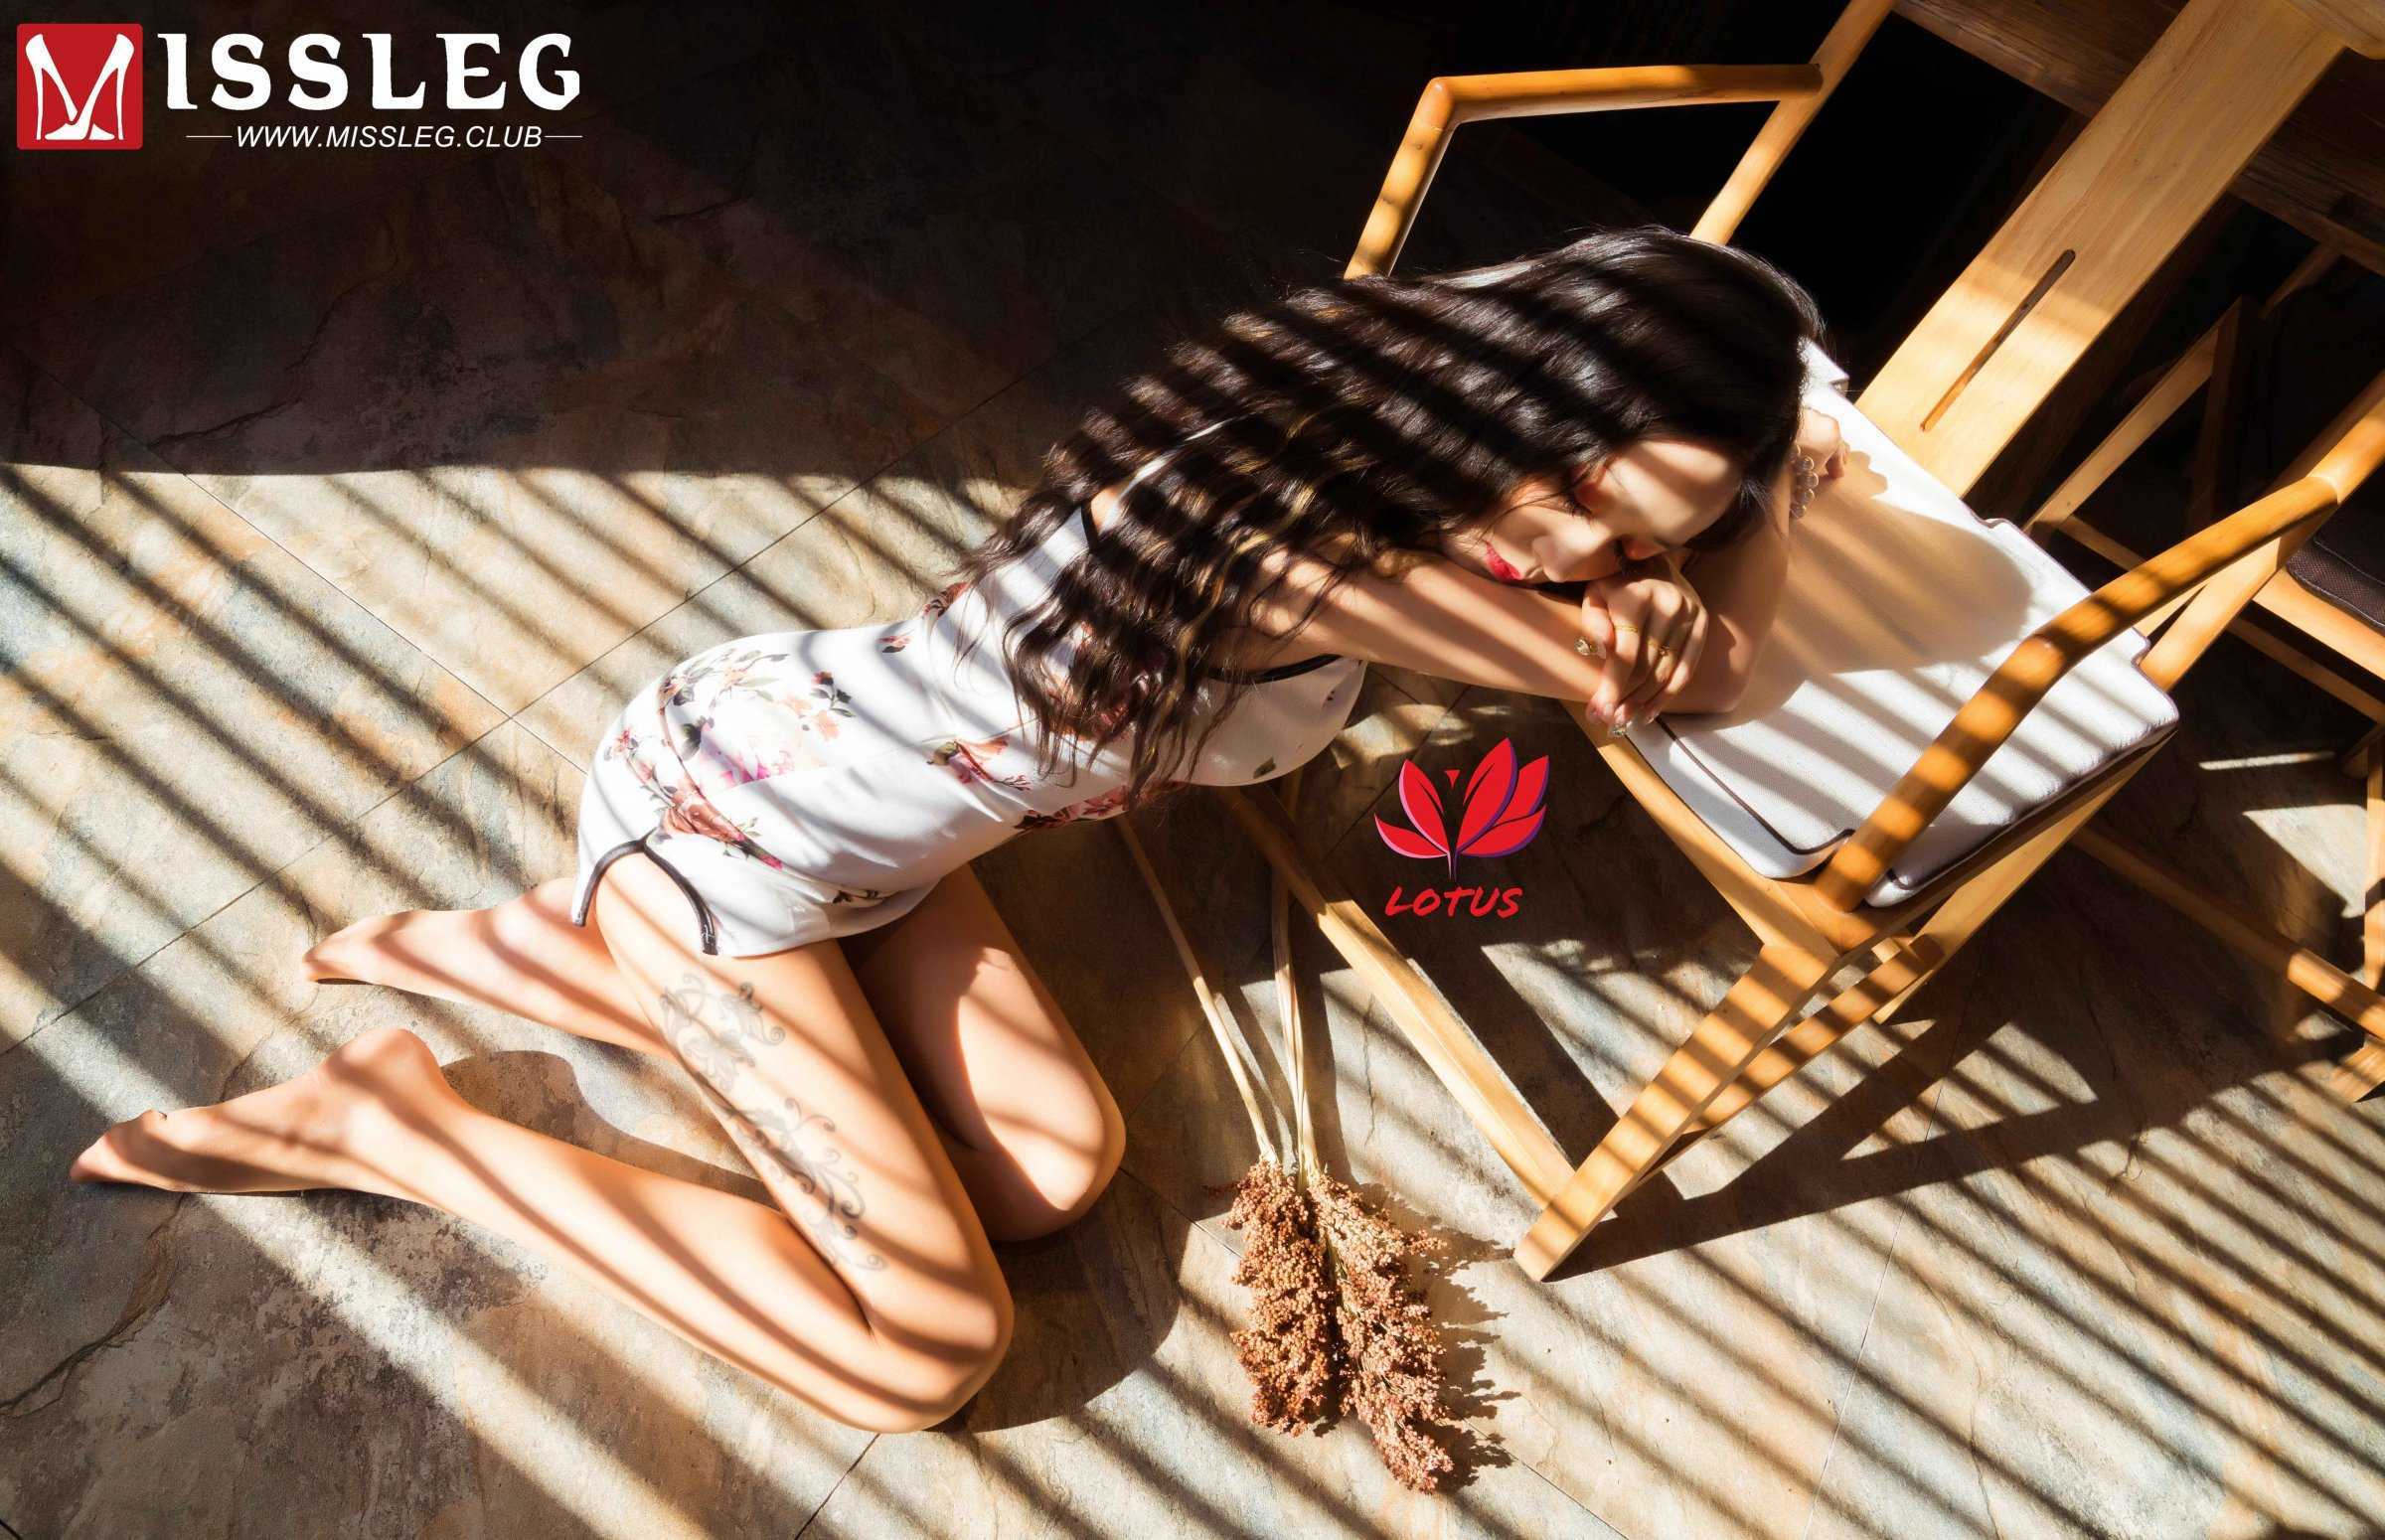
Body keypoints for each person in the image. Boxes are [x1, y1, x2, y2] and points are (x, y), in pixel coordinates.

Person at [68, 225, 1847, 1433]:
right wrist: (1759, 512)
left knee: (1054, 1178)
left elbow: (1643, 589)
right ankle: (403, 1120)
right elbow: (1708, 680)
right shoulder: (1322, 545)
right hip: (729, 837)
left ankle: (560, 947)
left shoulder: (1393, 430)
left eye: (1643, 540)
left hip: (862, 828)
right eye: (1586, 490)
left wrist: (1748, 471)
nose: (1584, 557)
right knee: (926, 1347)